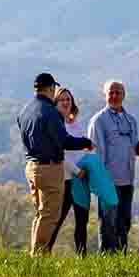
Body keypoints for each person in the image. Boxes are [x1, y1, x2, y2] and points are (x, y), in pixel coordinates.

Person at [15, 73, 93, 257]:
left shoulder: (25, 110)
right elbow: (63, 141)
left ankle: (35, 253)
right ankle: (39, 256)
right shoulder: (51, 112)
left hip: (31, 166)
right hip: (49, 168)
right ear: (50, 88)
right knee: (50, 215)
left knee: (40, 213)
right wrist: (85, 142)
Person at [86, 80, 139, 253]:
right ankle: (107, 261)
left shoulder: (131, 121)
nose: (114, 96)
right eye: (111, 92)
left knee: (124, 222)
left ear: (124, 95)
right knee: (108, 223)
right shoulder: (98, 120)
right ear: (105, 95)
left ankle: (122, 257)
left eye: (118, 92)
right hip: (108, 180)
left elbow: (133, 149)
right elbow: (95, 152)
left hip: (127, 179)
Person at [46, 87, 94, 255]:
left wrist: (88, 166)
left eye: (69, 99)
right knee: (57, 220)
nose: (66, 102)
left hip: (82, 180)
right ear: (55, 103)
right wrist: (76, 171)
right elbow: (58, 153)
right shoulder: (56, 124)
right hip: (65, 179)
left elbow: (83, 149)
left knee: (82, 221)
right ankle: (44, 254)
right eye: (62, 100)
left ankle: (82, 257)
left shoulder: (78, 124)